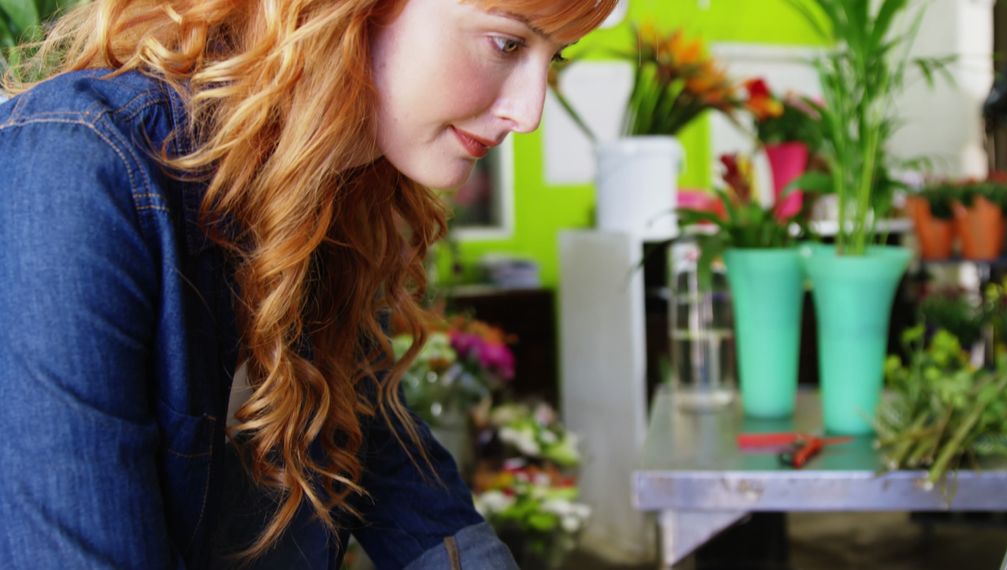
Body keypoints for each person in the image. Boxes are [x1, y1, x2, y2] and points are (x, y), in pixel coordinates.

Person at [0, 0, 617, 567]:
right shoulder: (79, 169)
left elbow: (414, 501)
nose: (530, 113)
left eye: (554, 56)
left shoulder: (330, 213)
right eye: (507, 44)